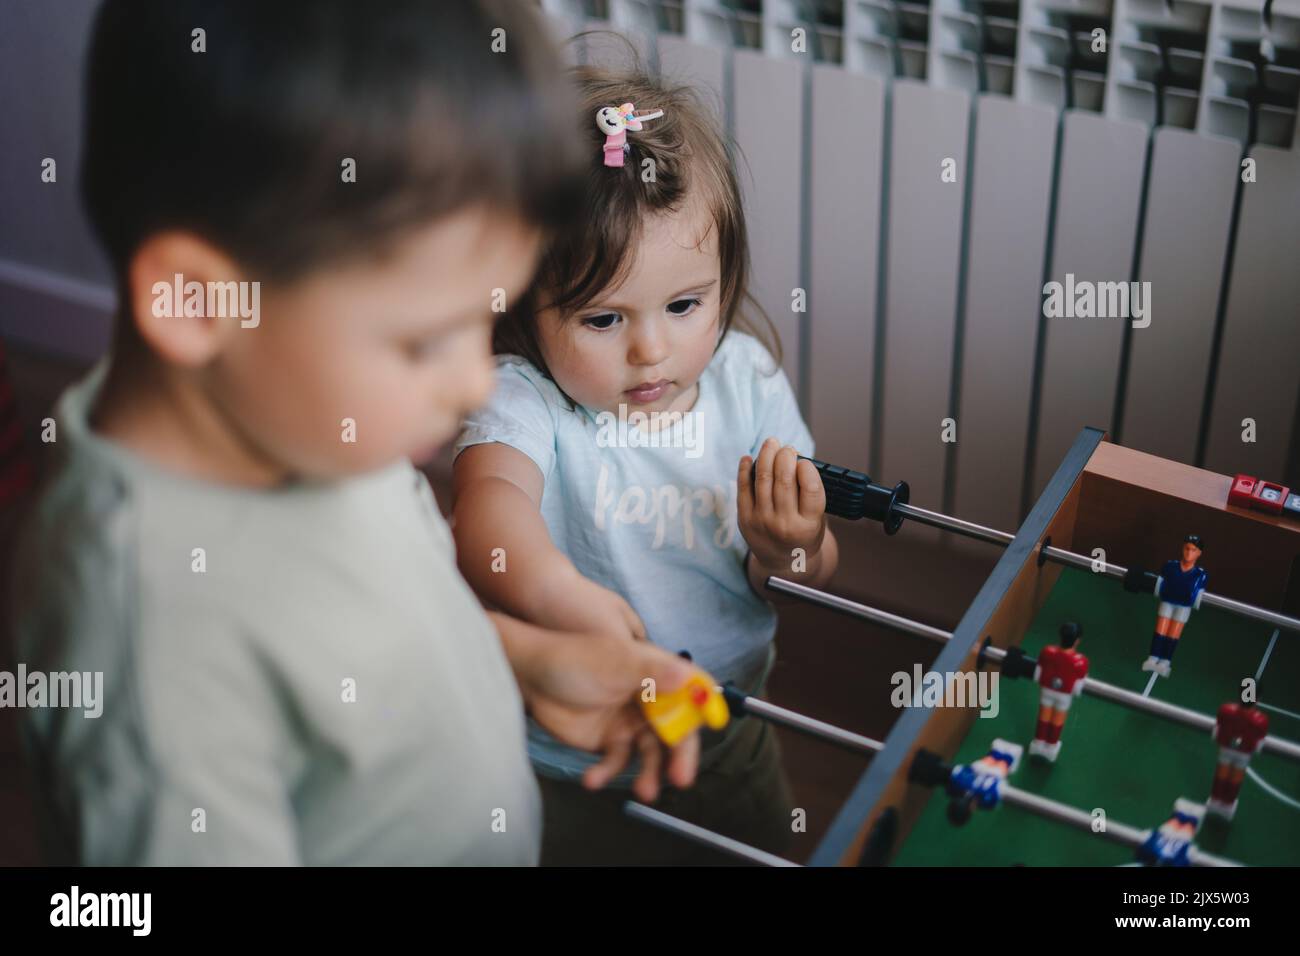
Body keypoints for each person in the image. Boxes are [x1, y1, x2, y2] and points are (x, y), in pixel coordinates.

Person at [11, 0, 700, 866]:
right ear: (196, 300)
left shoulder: (303, 417)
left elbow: (360, 628)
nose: (475, 379)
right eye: (425, 340)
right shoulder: (153, 644)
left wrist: (518, 662)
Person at [452, 61, 840, 864]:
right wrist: (564, 602)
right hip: (569, 752)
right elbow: (489, 511)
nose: (651, 349)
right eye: (602, 317)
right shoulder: (524, 397)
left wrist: (788, 545)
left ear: (724, 279)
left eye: (684, 305)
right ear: (527, 299)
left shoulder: (748, 382)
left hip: (726, 724)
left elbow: (810, 569)